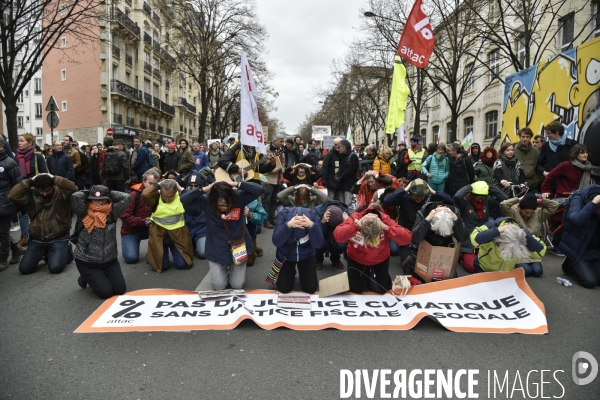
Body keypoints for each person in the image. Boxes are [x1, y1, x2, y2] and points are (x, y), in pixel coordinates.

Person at [180, 180, 263, 290]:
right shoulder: (206, 200)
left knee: (237, 285)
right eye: (219, 202)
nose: (223, 204)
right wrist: (205, 188)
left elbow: (259, 189)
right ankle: (220, 273)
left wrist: (236, 184)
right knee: (219, 286)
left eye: (226, 201)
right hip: (216, 247)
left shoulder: (239, 197)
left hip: (238, 244)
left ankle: (234, 272)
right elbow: (184, 199)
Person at [9, 173, 78, 275]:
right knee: (24, 269)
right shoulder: (32, 195)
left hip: (58, 237)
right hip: (38, 239)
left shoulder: (61, 194)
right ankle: (46, 253)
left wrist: (55, 178)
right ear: (37, 189)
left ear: (52, 186)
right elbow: (12, 195)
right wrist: (30, 181)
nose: (44, 193)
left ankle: (66, 250)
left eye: (47, 190)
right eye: (41, 191)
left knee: (55, 268)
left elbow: (73, 189)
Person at [334, 204, 412, 293]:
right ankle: (365, 277)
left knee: (381, 289)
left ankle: (372, 277)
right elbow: (337, 236)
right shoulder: (355, 217)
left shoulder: (385, 219)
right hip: (357, 258)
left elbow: (407, 238)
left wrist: (386, 228)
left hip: (379, 259)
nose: (370, 244)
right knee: (355, 290)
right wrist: (356, 226)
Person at [72, 185, 130, 298]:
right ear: (89, 200)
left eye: (103, 199)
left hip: (109, 260)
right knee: (106, 293)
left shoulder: (113, 211)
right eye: (96, 200)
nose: (100, 203)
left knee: (120, 290)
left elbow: (126, 197)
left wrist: (107, 192)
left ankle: (93, 277)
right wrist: (91, 192)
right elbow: (75, 197)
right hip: (87, 262)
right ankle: (86, 275)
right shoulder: (83, 211)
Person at [453, 181, 508, 273]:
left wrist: (490, 188)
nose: (481, 198)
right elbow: (457, 196)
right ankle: (462, 254)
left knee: (492, 264)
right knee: (472, 267)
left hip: (484, 238)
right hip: (469, 241)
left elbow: (505, 199)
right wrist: (470, 186)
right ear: (472, 194)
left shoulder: (487, 203)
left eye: (483, 196)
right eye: (478, 195)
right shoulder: (464, 203)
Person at [142, 179, 194, 273]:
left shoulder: (181, 197)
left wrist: (180, 188)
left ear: (175, 192)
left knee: (183, 265)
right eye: (164, 196)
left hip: (177, 236)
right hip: (160, 236)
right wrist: (158, 184)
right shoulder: (156, 197)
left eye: (171, 196)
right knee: (162, 266)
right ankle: (151, 254)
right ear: (161, 192)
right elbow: (145, 194)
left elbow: (193, 196)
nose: (167, 199)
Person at [408, 201, 468, 277]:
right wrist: (426, 220)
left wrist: (456, 219)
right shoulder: (424, 212)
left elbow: (463, 238)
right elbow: (415, 238)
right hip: (422, 251)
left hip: (445, 253)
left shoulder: (455, 213)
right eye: (438, 231)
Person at [272, 207, 324, 293]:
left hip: (307, 255)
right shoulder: (283, 214)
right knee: (284, 288)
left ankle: (302, 273)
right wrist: (288, 226)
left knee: (310, 288)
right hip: (286, 255)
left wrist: (312, 226)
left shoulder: (313, 215)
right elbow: (276, 241)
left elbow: (319, 244)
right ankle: (291, 272)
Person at [471, 217, 546, 277]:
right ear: (500, 239)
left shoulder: (523, 234)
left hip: (505, 273)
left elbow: (541, 251)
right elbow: (474, 238)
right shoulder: (492, 225)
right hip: (483, 269)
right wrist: (497, 231)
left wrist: (528, 237)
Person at [558, 185, 600, 288]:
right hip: (579, 249)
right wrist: (592, 204)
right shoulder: (578, 198)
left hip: (596, 250)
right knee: (590, 282)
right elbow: (577, 220)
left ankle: (585, 266)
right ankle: (570, 264)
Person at [120, 169, 161, 263]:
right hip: (131, 231)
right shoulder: (133, 194)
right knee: (131, 258)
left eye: (155, 184)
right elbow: (125, 216)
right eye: (150, 183)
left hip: (148, 229)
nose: (152, 186)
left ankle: (154, 252)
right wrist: (144, 222)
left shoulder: (157, 194)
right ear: (143, 181)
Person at [15, 133, 48, 247]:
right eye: (19, 141)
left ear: (30, 143)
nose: (19, 143)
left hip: (35, 189)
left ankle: (38, 237)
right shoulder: (17, 156)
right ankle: (24, 236)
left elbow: (44, 173)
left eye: (22, 141)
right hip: (23, 189)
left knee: (36, 213)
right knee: (22, 213)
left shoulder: (37, 156)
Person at [0, 136, 25, 271]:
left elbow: (18, 185)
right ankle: (16, 248)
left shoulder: (9, 163)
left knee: (3, 232)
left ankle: (3, 258)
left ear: (1, 146)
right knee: (1, 232)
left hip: (5, 203)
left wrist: (18, 204)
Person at [314, 201, 349, 270]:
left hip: (338, 235)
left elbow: (349, 235)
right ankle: (318, 260)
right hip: (323, 235)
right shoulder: (317, 210)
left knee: (341, 245)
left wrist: (347, 223)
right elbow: (315, 233)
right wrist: (322, 222)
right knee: (318, 243)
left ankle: (335, 259)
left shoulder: (345, 212)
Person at [182, 172, 209, 259]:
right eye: (191, 185)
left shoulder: (205, 197)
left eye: (196, 186)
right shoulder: (183, 196)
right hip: (187, 229)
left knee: (203, 253)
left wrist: (205, 177)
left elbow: (214, 183)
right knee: (183, 254)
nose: (193, 188)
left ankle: (200, 243)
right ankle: (193, 244)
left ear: (200, 187)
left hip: (201, 230)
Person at [262, 135, 286, 228]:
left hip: (278, 179)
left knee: (274, 200)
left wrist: (281, 170)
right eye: (280, 141)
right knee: (267, 200)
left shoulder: (281, 151)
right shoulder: (266, 149)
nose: (282, 143)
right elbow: (262, 163)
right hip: (269, 179)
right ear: (274, 141)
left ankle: (272, 219)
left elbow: (283, 163)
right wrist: (269, 169)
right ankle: (265, 220)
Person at [332, 139, 359, 213]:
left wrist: (340, 178)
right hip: (341, 184)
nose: (338, 149)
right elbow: (339, 169)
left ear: (344, 147)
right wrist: (336, 176)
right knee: (342, 205)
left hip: (348, 185)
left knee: (348, 204)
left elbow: (350, 171)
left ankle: (352, 220)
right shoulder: (341, 156)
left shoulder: (352, 156)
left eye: (339, 147)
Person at [513, 128, 541, 193]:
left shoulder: (536, 151)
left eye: (527, 137)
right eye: (523, 137)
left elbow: (539, 167)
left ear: (530, 138)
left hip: (533, 186)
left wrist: (538, 182)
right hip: (518, 186)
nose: (525, 139)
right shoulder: (514, 150)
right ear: (520, 137)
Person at [245, 199, 267, 266]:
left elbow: (263, 218)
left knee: (249, 262)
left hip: (248, 234)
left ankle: (256, 246)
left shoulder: (250, 200)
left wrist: (250, 215)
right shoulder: (221, 199)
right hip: (230, 236)